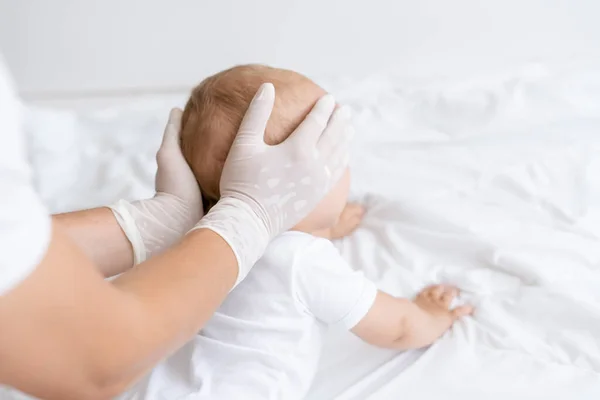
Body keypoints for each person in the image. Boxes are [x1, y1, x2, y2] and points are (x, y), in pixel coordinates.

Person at [0, 53, 352, 399]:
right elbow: (95, 366)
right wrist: (250, 216)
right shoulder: (306, 261)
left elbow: (17, 252)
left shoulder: (193, 251)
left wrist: (151, 224)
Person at [124, 64, 472, 399]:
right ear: (298, 188)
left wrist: (321, 225)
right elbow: (398, 328)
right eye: (334, 162)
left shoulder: (196, 234)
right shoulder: (301, 260)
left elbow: (275, 234)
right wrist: (434, 316)